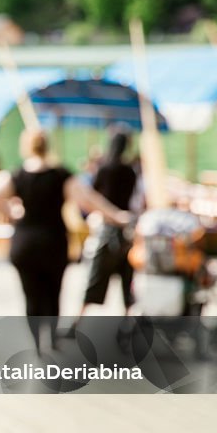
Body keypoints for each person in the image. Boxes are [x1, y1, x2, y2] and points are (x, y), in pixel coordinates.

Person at [0, 129, 130, 353]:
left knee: (31, 297)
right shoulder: (61, 175)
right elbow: (89, 201)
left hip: (25, 243)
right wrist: (116, 216)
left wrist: (11, 212)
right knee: (52, 295)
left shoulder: (16, 175)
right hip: (53, 243)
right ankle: (50, 339)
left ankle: (37, 345)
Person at [72, 130, 138, 325]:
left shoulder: (103, 169)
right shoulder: (130, 171)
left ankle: (78, 320)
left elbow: (93, 197)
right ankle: (128, 321)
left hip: (106, 227)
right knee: (127, 278)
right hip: (126, 228)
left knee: (95, 276)